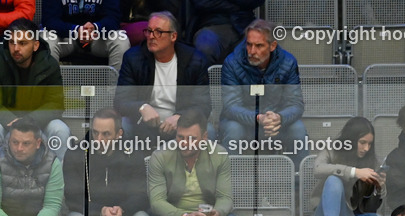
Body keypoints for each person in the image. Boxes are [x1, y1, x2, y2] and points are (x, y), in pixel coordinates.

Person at [148, 108, 241, 216]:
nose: (184, 143)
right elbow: (156, 202)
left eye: (191, 138)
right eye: (180, 137)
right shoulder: (160, 156)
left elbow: (225, 198)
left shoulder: (219, 155)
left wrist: (216, 214)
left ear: (204, 137)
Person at [0, 18, 69, 161]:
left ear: (35, 45)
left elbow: (56, 104)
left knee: (60, 128)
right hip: (6, 123)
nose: (16, 48)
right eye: (12, 43)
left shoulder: (49, 65)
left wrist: (29, 121)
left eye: (22, 43)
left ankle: (56, 181)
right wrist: (12, 121)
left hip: (38, 123)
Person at [63, 108, 152, 216]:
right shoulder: (76, 153)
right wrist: (100, 210)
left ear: (119, 134)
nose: (99, 139)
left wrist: (122, 210)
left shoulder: (133, 154)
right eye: (95, 132)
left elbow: (141, 195)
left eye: (106, 134)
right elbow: (72, 197)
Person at [114, 11, 210, 142]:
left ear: (173, 36)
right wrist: (141, 107)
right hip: (143, 125)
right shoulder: (133, 58)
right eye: (149, 31)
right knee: (123, 124)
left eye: (158, 32)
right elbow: (120, 101)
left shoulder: (195, 61)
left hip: (181, 126)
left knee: (209, 130)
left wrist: (181, 117)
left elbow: (203, 105)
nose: (151, 36)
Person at [220, 19, 306, 158]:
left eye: (259, 46)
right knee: (233, 129)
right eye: (249, 44)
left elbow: (296, 104)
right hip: (243, 123)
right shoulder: (232, 62)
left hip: (275, 124)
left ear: (272, 46)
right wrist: (258, 118)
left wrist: (279, 118)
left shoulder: (288, 62)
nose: (252, 51)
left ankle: (298, 179)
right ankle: (232, 179)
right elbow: (231, 106)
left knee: (298, 129)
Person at [310, 117, 390, 216]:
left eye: (369, 144)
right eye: (362, 142)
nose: (366, 148)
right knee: (333, 180)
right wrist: (354, 172)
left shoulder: (374, 162)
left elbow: (375, 208)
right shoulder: (332, 150)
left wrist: (379, 187)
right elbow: (318, 169)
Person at [42, 0, 129, 70]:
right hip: (65, 37)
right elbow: (49, 20)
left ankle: (117, 92)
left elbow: (113, 18)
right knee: (46, 40)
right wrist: (75, 30)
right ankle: (51, 91)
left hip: (97, 37)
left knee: (121, 41)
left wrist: (95, 27)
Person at [186, 0, 261, 65]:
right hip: (212, 24)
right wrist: (236, 7)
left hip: (244, 24)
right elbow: (202, 3)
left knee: (263, 44)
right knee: (205, 45)